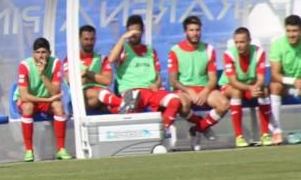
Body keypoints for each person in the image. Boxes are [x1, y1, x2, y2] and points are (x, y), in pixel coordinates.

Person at [108, 14, 185, 150]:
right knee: (132, 104)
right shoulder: (123, 48)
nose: (133, 35)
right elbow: (111, 59)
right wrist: (123, 38)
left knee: (175, 100)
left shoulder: (150, 51)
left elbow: (158, 74)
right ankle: (135, 143)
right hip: (132, 91)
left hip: (150, 90)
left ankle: (163, 131)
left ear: (142, 31)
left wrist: (157, 83)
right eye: (130, 32)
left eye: (136, 32)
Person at [168, 15, 229, 150]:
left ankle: (197, 128)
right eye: (191, 30)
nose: (195, 33)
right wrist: (189, 91)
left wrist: (205, 91)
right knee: (180, 104)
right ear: (185, 32)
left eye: (197, 30)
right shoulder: (175, 51)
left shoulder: (208, 49)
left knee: (224, 104)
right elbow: (173, 80)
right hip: (185, 90)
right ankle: (202, 124)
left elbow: (213, 78)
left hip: (204, 89)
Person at [15, 37, 71, 162]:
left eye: (43, 52)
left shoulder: (55, 63)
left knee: (59, 107)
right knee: (27, 107)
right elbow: (24, 96)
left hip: (48, 99)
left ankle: (61, 149)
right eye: (37, 52)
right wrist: (48, 100)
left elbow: (54, 91)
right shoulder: (25, 65)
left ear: (49, 53)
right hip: (30, 100)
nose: (40, 55)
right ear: (33, 53)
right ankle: (29, 151)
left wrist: (42, 74)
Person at [220, 27, 273, 147]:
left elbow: (260, 79)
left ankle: (265, 134)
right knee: (236, 92)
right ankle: (239, 137)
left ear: (249, 41)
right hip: (230, 86)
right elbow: (232, 81)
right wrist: (251, 89)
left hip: (250, 86)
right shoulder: (229, 54)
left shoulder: (259, 52)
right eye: (236, 42)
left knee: (264, 90)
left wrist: (255, 88)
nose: (239, 45)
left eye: (242, 42)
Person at [65, 25, 129, 115]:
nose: (89, 42)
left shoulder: (102, 59)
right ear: (79, 39)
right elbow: (72, 82)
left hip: (99, 98)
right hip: (80, 98)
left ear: (95, 39)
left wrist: (87, 73)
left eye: (92, 39)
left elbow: (107, 81)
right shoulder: (71, 59)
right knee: (103, 93)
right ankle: (123, 103)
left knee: (107, 104)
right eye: (86, 39)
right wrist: (98, 79)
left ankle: (124, 110)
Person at [269, 14, 301, 145]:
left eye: (295, 31)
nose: (291, 35)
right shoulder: (278, 45)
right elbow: (275, 74)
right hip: (287, 85)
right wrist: (294, 82)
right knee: (274, 86)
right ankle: (276, 131)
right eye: (288, 31)